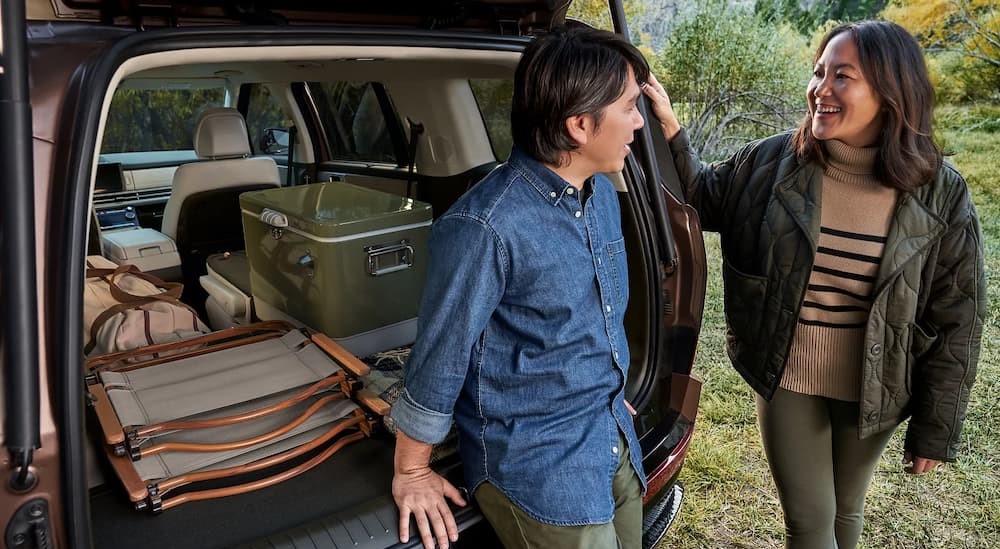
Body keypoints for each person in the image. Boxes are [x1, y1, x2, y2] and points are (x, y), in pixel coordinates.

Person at [642, 20, 985, 549]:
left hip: (877, 379)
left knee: (846, 510)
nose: (821, 89)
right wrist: (668, 131)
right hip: (789, 371)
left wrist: (936, 429)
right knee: (809, 520)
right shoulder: (773, 161)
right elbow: (702, 197)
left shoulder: (939, 191)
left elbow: (958, 316)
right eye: (819, 72)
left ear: (891, 91)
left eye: (842, 76)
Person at [390, 26, 650, 549]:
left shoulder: (599, 195)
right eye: (628, 107)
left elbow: (592, 318)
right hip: (541, 465)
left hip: (609, 434)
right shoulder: (484, 227)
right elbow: (441, 352)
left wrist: (610, 391)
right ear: (579, 125)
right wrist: (413, 470)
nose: (639, 122)